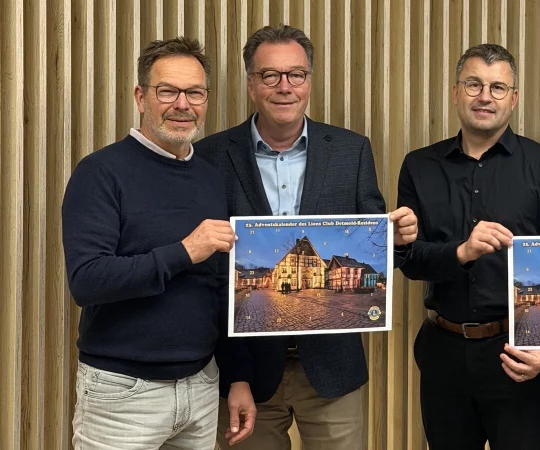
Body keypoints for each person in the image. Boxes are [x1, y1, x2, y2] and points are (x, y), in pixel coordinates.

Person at [194, 24, 418, 450]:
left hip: (332, 367)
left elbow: (375, 246)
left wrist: (400, 239)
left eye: (295, 74)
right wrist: (234, 371)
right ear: (250, 83)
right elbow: (209, 272)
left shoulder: (351, 151)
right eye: (270, 75)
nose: (284, 87)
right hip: (244, 372)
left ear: (309, 82)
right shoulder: (211, 156)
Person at [396, 43, 540, 450]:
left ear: (513, 99)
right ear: (455, 92)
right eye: (474, 84)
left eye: (498, 88)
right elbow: (408, 260)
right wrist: (461, 252)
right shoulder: (419, 166)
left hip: (519, 353)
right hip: (442, 351)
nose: (485, 96)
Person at [62, 37, 234, 449]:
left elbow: (220, 287)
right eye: (167, 91)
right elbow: (87, 281)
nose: (182, 104)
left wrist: (235, 375)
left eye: (195, 92)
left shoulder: (211, 178)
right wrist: (184, 251)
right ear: (141, 97)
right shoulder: (100, 173)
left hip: (202, 386)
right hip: (123, 395)